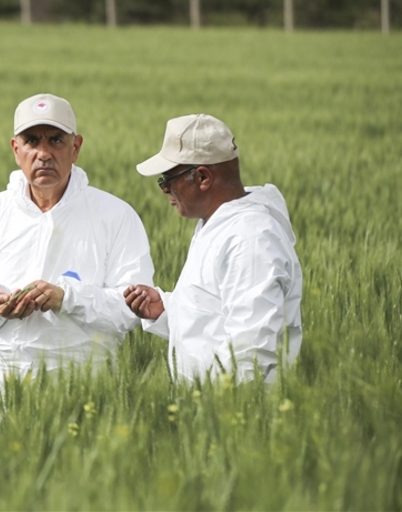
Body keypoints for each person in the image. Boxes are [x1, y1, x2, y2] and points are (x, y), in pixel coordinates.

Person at [0, 93, 155, 382]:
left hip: (85, 385)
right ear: (15, 149)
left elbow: (132, 307)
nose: (43, 153)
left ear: (76, 147)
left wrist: (67, 298)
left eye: (56, 140)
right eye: (32, 141)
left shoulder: (115, 215)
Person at [124, 114, 302, 384]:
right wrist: (165, 310)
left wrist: (226, 420)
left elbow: (252, 356)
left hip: (231, 416)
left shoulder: (250, 240)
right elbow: (214, 316)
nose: (165, 190)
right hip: (206, 413)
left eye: (168, 179)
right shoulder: (217, 223)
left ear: (203, 177)